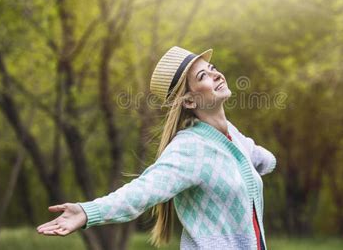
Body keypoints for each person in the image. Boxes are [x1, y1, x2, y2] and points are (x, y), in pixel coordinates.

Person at [36, 46, 276, 249]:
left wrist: (263, 162)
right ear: (190, 100)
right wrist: (87, 212)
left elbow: (256, 156)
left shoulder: (232, 135)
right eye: (203, 76)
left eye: (212, 69)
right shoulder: (190, 149)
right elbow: (142, 191)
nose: (216, 75)